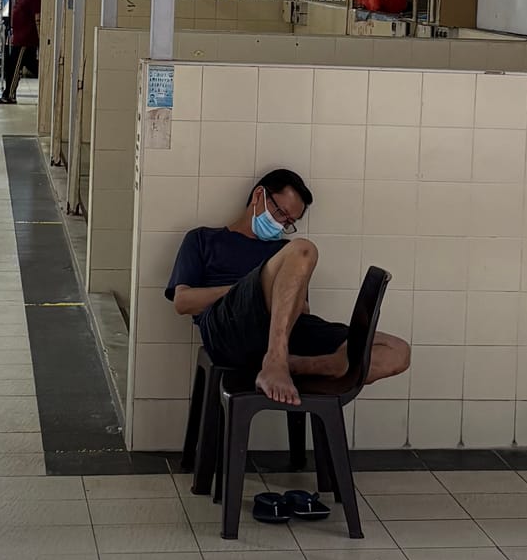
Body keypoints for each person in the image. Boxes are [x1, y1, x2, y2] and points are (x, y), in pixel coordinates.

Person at [166, 168, 410, 408]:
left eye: (289, 222)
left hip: (287, 332)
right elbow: (182, 302)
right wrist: (256, 287)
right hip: (230, 331)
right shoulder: (203, 239)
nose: (281, 224)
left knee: (397, 351)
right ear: (258, 196)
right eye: (280, 213)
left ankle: (296, 364)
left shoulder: (284, 252)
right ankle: (275, 360)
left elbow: (301, 308)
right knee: (304, 249)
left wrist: (274, 291)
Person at [0, 0, 42, 103]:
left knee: (14, 67)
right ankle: (8, 94)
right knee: (28, 66)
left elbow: (38, 17)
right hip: (19, 37)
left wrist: (40, 38)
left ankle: (9, 95)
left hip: (26, 39)